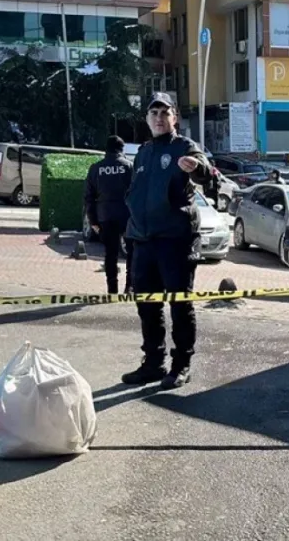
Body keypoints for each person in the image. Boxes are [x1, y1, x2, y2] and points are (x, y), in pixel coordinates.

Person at [121, 92, 212, 390]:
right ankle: (152, 363)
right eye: (154, 113)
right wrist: (131, 236)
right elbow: (136, 195)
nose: (159, 118)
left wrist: (197, 169)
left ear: (175, 118)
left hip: (175, 241)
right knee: (148, 305)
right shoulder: (144, 151)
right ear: (147, 119)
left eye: (165, 112)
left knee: (179, 304)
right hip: (143, 242)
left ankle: (181, 364)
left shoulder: (184, 147)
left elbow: (208, 174)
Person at [84, 135, 135, 294]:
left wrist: (93, 220)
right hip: (127, 216)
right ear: (122, 149)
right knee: (131, 254)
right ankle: (130, 287)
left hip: (105, 216)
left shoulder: (95, 168)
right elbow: (138, 193)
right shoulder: (129, 167)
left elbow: (88, 197)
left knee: (110, 254)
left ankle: (112, 289)